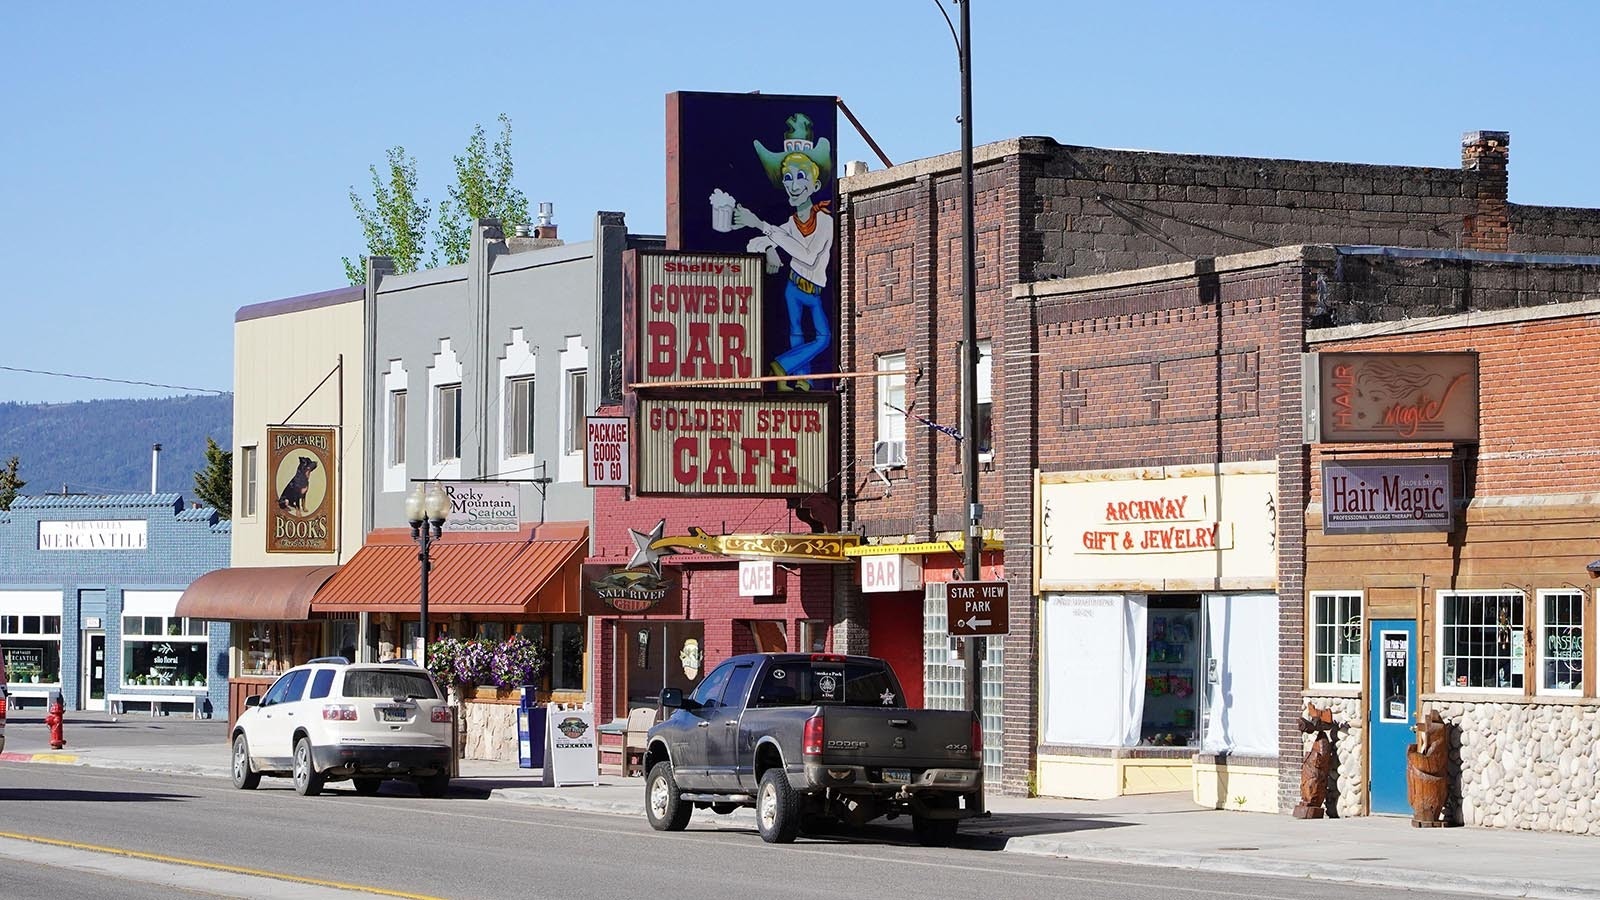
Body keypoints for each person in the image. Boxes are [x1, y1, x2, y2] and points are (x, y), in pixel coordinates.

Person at [730, 113, 835, 391]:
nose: (794, 183)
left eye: (801, 176)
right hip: (793, 287)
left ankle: (781, 366)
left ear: (814, 185)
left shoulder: (825, 221)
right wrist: (770, 249)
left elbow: (808, 255)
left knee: (824, 337)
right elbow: (757, 243)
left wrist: (763, 227)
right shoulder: (789, 223)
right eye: (788, 177)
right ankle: (802, 381)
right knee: (796, 336)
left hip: (814, 290)